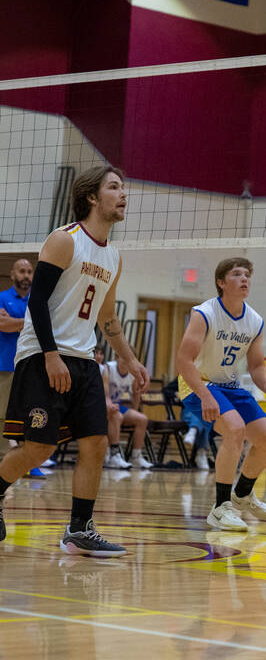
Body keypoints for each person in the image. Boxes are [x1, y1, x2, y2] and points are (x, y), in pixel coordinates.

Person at [0, 165, 149, 555]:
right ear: (91, 197)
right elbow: (37, 301)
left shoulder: (113, 256)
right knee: (39, 449)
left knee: (96, 444)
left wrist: (131, 361)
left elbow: (108, 317)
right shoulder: (64, 240)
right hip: (43, 355)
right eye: (114, 187)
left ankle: (79, 529)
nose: (123, 195)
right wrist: (51, 356)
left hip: (83, 360)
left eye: (123, 188)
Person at [175, 257, 266, 531]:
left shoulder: (254, 320)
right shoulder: (205, 313)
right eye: (237, 274)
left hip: (229, 385)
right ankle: (221, 508)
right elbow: (184, 361)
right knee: (234, 429)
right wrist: (206, 396)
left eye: (247, 275)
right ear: (221, 283)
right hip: (198, 383)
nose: (244, 279)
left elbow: (256, 365)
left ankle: (243, 495)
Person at [0, 259, 39, 468]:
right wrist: (31, 323)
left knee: (33, 415)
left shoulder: (38, 300)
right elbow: (3, 325)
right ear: (12, 275)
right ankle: (3, 460)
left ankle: (29, 463)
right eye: (22, 271)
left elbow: (47, 325)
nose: (26, 276)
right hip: (5, 364)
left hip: (32, 366)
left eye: (30, 272)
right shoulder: (2, 298)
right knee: (2, 415)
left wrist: (15, 323)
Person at [100, 352, 153, 470]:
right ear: (117, 357)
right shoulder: (108, 368)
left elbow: (136, 393)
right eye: (123, 357)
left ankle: (136, 456)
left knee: (142, 419)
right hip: (102, 404)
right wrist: (108, 403)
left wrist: (134, 410)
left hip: (117, 406)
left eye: (129, 358)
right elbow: (105, 390)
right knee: (117, 415)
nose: (126, 360)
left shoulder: (132, 373)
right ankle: (114, 455)